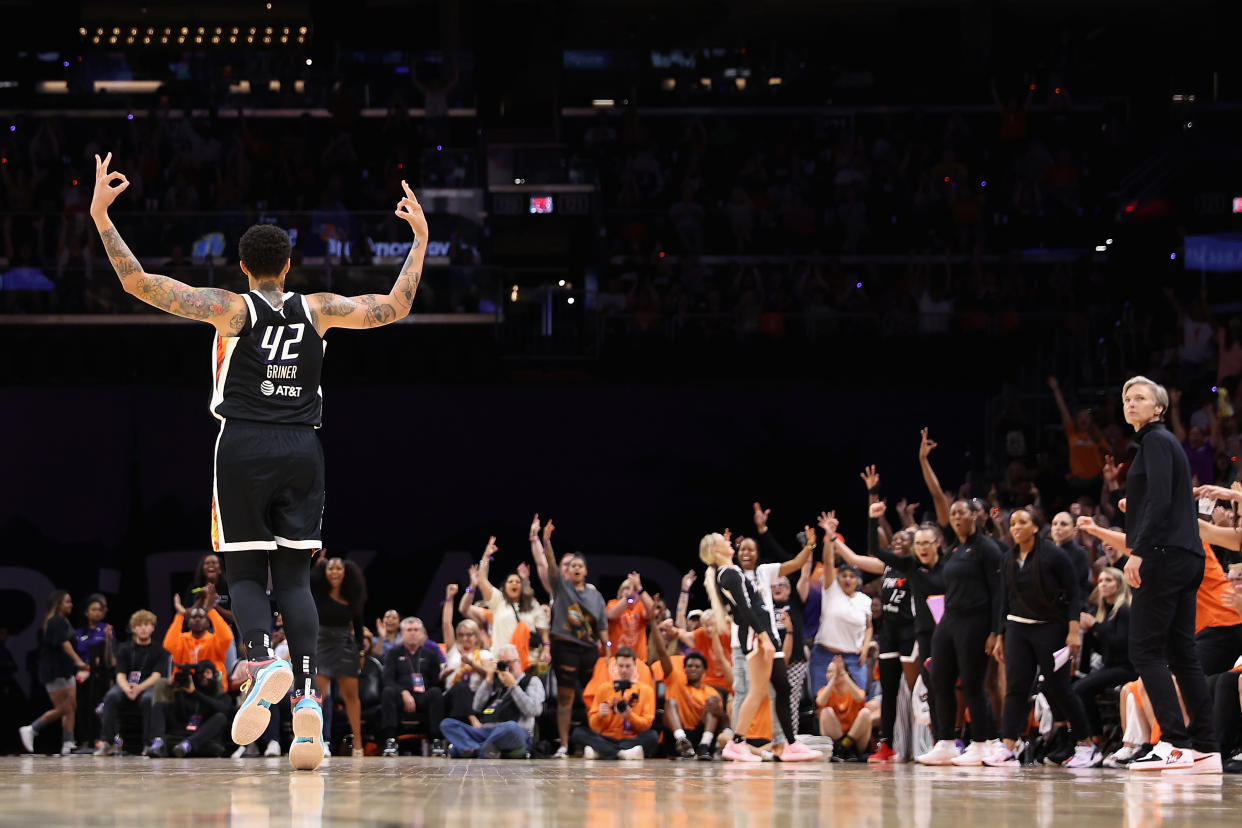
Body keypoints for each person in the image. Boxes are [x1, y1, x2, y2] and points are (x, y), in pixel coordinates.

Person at [90, 151, 429, 772]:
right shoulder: (319, 308)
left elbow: (139, 284)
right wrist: (420, 240)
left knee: (245, 577)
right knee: (296, 582)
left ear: (243, 267)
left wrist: (102, 216)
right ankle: (304, 704)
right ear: (290, 266)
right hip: (304, 450)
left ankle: (261, 658)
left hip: (243, 445)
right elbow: (395, 305)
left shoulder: (230, 309)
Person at [1119, 376, 1220, 773]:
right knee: (1182, 654)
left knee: (1145, 650)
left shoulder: (1156, 441)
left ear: (1158, 408)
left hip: (1163, 556)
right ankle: (1206, 747)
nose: (1131, 403)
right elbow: (1164, 496)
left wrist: (1138, 551)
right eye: (1127, 398)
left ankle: (1174, 742)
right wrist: (1137, 503)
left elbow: (1162, 498)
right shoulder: (1162, 443)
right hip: (1185, 555)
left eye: (1140, 398)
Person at [915, 430, 1005, 766]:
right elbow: (938, 495)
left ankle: (984, 742)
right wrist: (923, 461)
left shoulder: (989, 549)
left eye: (961, 513)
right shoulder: (953, 546)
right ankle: (945, 742)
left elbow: (999, 593)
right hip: (949, 620)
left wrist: (996, 632)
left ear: (975, 517)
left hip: (977, 620)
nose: (954, 516)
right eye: (952, 515)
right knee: (939, 679)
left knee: (972, 683)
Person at [981, 508, 1093, 768]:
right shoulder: (1008, 558)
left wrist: (1073, 630)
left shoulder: (1055, 555)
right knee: (1016, 688)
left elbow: (1074, 594)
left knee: (1059, 688)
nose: (1017, 527)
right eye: (1013, 523)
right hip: (1017, 629)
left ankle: (1086, 744)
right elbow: (1004, 600)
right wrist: (999, 635)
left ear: (1034, 527)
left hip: (1050, 628)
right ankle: (1008, 746)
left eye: (1023, 522)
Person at [699, 531, 821, 762]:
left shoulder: (731, 572)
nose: (729, 541)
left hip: (764, 632)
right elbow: (746, 609)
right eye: (723, 541)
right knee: (757, 691)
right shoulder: (729, 574)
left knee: (783, 688)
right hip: (756, 635)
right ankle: (737, 743)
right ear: (715, 550)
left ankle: (790, 745)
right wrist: (764, 636)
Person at [530, 514, 609, 759]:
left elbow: (602, 626)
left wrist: (607, 649)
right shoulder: (560, 587)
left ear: (585, 571)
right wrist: (547, 542)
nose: (575, 568)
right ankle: (564, 745)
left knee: (592, 697)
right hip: (565, 647)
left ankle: (593, 743)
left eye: (580, 565)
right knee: (565, 698)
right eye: (572, 565)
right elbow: (551, 567)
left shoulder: (595, 596)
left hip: (589, 651)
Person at [440, 644, 545, 759]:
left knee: (510, 727)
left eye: (509, 663)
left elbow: (533, 710)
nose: (507, 668)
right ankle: (484, 749)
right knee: (447, 724)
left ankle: (474, 748)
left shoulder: (532, 681)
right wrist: (488, 679)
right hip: (485, 732)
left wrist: (513, 686)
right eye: (502, 664)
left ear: (519, 662)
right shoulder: (496, 684)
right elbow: (476, 707)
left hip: (513, 732)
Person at [19, 591, 91, 755]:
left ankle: (68, 743)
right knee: (64, 707)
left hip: (66, 670)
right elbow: (65, 645)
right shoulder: (55, 621)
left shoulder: (64, 621)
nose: (71, 604)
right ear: (58, 604)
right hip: (54, 670)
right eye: (67, 602)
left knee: (72, 706)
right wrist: (79, 662)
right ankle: (31, 729)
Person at [310, 554, 367, 758]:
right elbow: (305, 579)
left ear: (346, 572)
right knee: (319, 697)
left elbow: (359, 626)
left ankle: (358, 743)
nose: (334, 572)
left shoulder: (352, 595)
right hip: (321, 643)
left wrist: (360, 650)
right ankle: (316, 740)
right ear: (324, 572)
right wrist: (316, 563)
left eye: (338, 569)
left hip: (345, 645)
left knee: (351, 697)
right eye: (330, 568)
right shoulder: (317, 591)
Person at [94, 609, 168, 756]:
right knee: (111, 696)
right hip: (126, 685)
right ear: (133, 629)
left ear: (153, 627)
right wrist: (127, 688)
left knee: (149, 698)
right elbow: (120, 674)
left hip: (147, 686)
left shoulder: (159, 650)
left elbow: (156, 675)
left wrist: (139, 688)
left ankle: (148, 743)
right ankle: (108, 742)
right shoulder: (125, 648)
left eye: (147, 624)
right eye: (139, 625)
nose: (143, 628)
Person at [476, 536, 550, 671]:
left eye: (517, 581)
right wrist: (486, 555)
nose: (514, 583)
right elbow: (481, 580)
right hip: (501, 664)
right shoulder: (498, 601)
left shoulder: (532, 604)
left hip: (528, 665)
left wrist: (546, 648)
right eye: (510, 581)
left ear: (522, 587)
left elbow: (544, 630)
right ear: (505, 587)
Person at [571, 647, 658, 760]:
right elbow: (593, 725)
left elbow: (646, 724)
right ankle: (623, 753)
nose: (624, 670)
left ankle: (602, 752)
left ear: (635, 666)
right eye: (621, 666)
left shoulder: (646, 690)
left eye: (628, 666)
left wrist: (629, 716)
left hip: (632, 737)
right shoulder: (604, 688)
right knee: (578, 733)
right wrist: (599, 715)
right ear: (615, 666)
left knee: (652, 736)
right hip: (607, 737)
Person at [379, 618, 446, 757]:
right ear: (402, 633)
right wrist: (403, 692)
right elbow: (387, 679)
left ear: (422, 633)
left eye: (416, 630)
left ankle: (436, 740)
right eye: (409, 630)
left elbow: (436, 683)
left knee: (436, 693)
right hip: (401, 696)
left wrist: (443, 676)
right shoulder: (393, 653)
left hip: (423, 696)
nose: (413, 633)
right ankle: (390, 740)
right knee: (388, 692)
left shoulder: (430, 655)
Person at [147, 660, 233, 758]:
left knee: (220, 718)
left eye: (208, 672)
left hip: (202, 737)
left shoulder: (220, 695)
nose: (204, 676)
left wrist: (195, 693)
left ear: (214, 674)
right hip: (182, 735)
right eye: (201, 673)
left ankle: (188, 745)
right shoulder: (188, 691)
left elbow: (224, 709)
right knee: (160, 706)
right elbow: (180, 714)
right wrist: (178, 691)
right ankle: (158, 742)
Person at [162, 592, 234, 681]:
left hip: (211, 684)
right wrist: (180, 615)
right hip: (186, 684)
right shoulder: (182, 639)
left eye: (201, 617)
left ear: (208, 623)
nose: (197, 620)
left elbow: (227, 637)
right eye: (194, 617)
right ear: (188, 623)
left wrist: (210, 610)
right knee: (162, 683)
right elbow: (168, 645)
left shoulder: (214, 640)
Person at [816, 655, 873, 762]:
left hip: (855, 740)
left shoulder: (853, 690)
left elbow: (859, 698)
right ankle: (841, 748)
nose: (832, 674)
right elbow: (820, 701)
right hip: (835, 742)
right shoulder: (825, 691)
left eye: (836, 671)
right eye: (829, 672)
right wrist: (833, 680)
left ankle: (846, 746)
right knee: (826, 711)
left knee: (866, 712)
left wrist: (843, 674)